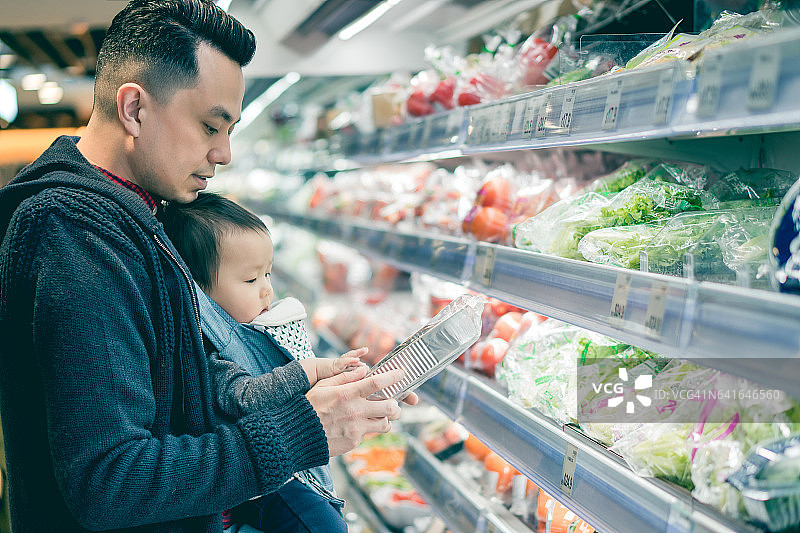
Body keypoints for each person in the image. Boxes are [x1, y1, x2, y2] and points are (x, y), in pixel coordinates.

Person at [0, 1, 414, 531]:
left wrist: (302, 384)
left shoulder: (136, 213)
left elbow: (178, 379)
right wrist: (301, 431)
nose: (224, 153)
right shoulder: (76, 234)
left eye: (230, 130)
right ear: (134, 109)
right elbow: (111, 481)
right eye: (210, 126)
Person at [159, 192, 360, 532]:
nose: (267, 290)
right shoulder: (210, 354)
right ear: (202, 297)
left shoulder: (248, 330)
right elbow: (245, 396)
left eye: (267, 274)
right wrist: (309, 371)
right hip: (261, 478)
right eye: (251, 280)